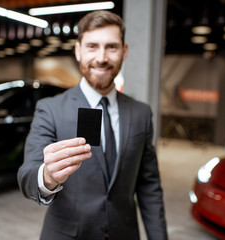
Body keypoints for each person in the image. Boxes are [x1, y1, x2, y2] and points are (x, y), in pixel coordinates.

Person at [17, 10, 168, 240]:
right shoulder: (50, 109)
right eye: (92, 46)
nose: (101, 57)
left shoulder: (141, 114)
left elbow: (149, 187)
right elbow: (27, 174)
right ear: (78, 51)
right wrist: (47, 175)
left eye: (111, 47)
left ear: (124, 51)